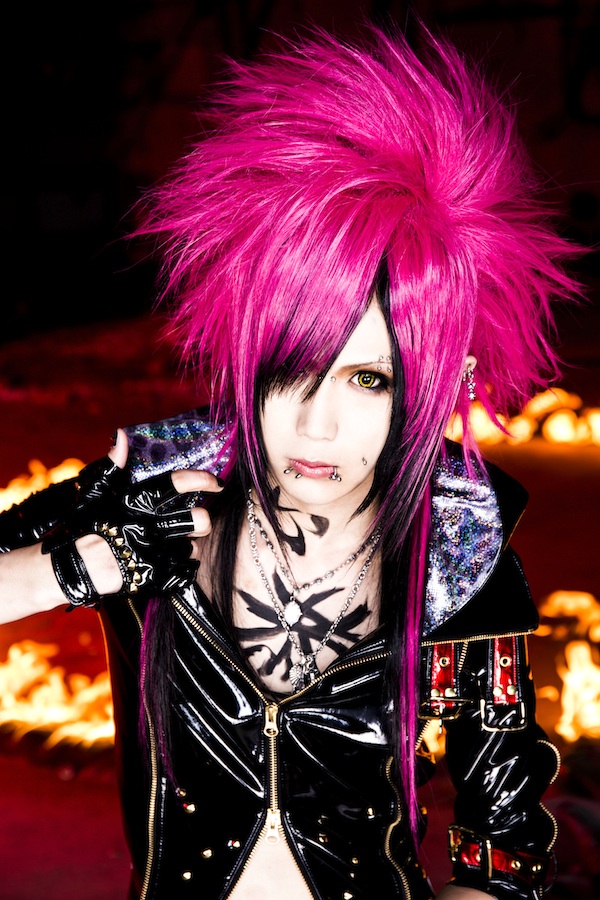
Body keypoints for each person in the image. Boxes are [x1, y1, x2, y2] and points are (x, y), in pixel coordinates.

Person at [0, 24, 579, 900]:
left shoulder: (459, 558)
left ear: (442, 383)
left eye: (369, 378)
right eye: (288, 369)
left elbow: (503, 852)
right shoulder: (154, 491)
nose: (316, 423)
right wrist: (89, 562)